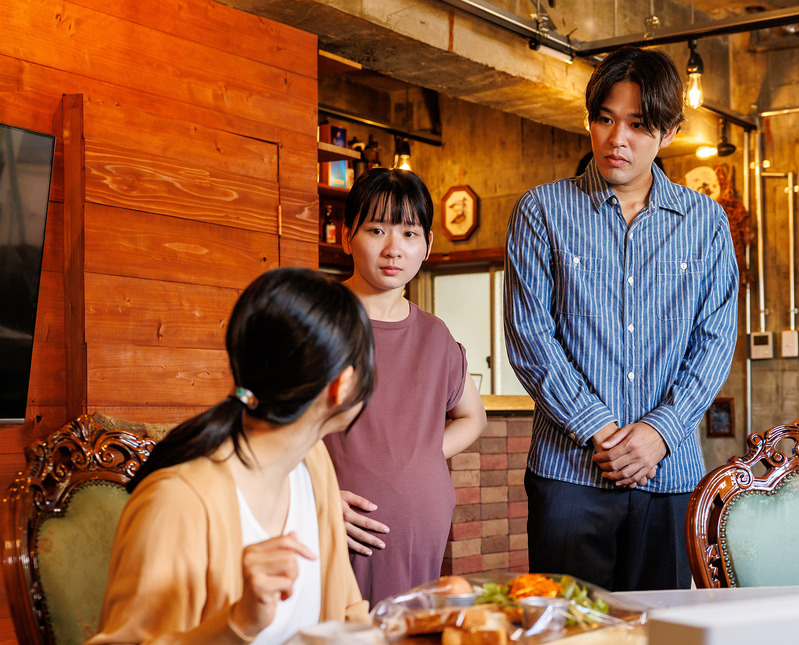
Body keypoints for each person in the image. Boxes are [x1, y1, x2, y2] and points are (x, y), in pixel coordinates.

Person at [503, 47, 739, 592]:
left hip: (670, 472)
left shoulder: (704, 221)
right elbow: (530, 336)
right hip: (569, 472)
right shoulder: (542, 211)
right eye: (604, 119)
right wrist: (602, 433)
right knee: (568, 627)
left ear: (669, 133)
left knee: (663, 629)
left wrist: (660, 432)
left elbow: (715, 338)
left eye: (637, 124)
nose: (617, 139)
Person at [87, 267, 376, 644]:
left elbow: (348, 613)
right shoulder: (177, 500)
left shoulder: (313, 462)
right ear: (344, 385)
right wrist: (238, 622)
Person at [323, 167, 487, 604]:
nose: (394, 248)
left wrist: (424, 456)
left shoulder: (435, 334)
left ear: (428, 245)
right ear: (346, 236)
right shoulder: (316, 320)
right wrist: (317, 495)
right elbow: (264, 423)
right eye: (377, 229)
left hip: (424, 529)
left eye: (410, 233)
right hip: (341, 525)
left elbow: (473, 417)